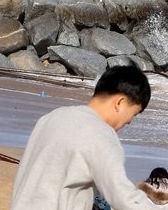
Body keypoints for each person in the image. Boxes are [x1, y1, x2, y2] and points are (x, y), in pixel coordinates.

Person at [10, 66, 160, 210]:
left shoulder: (51, 117)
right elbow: (122, 196)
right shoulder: (102, 135)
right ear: (120, 102)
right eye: (133, 113)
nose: (129, 121)